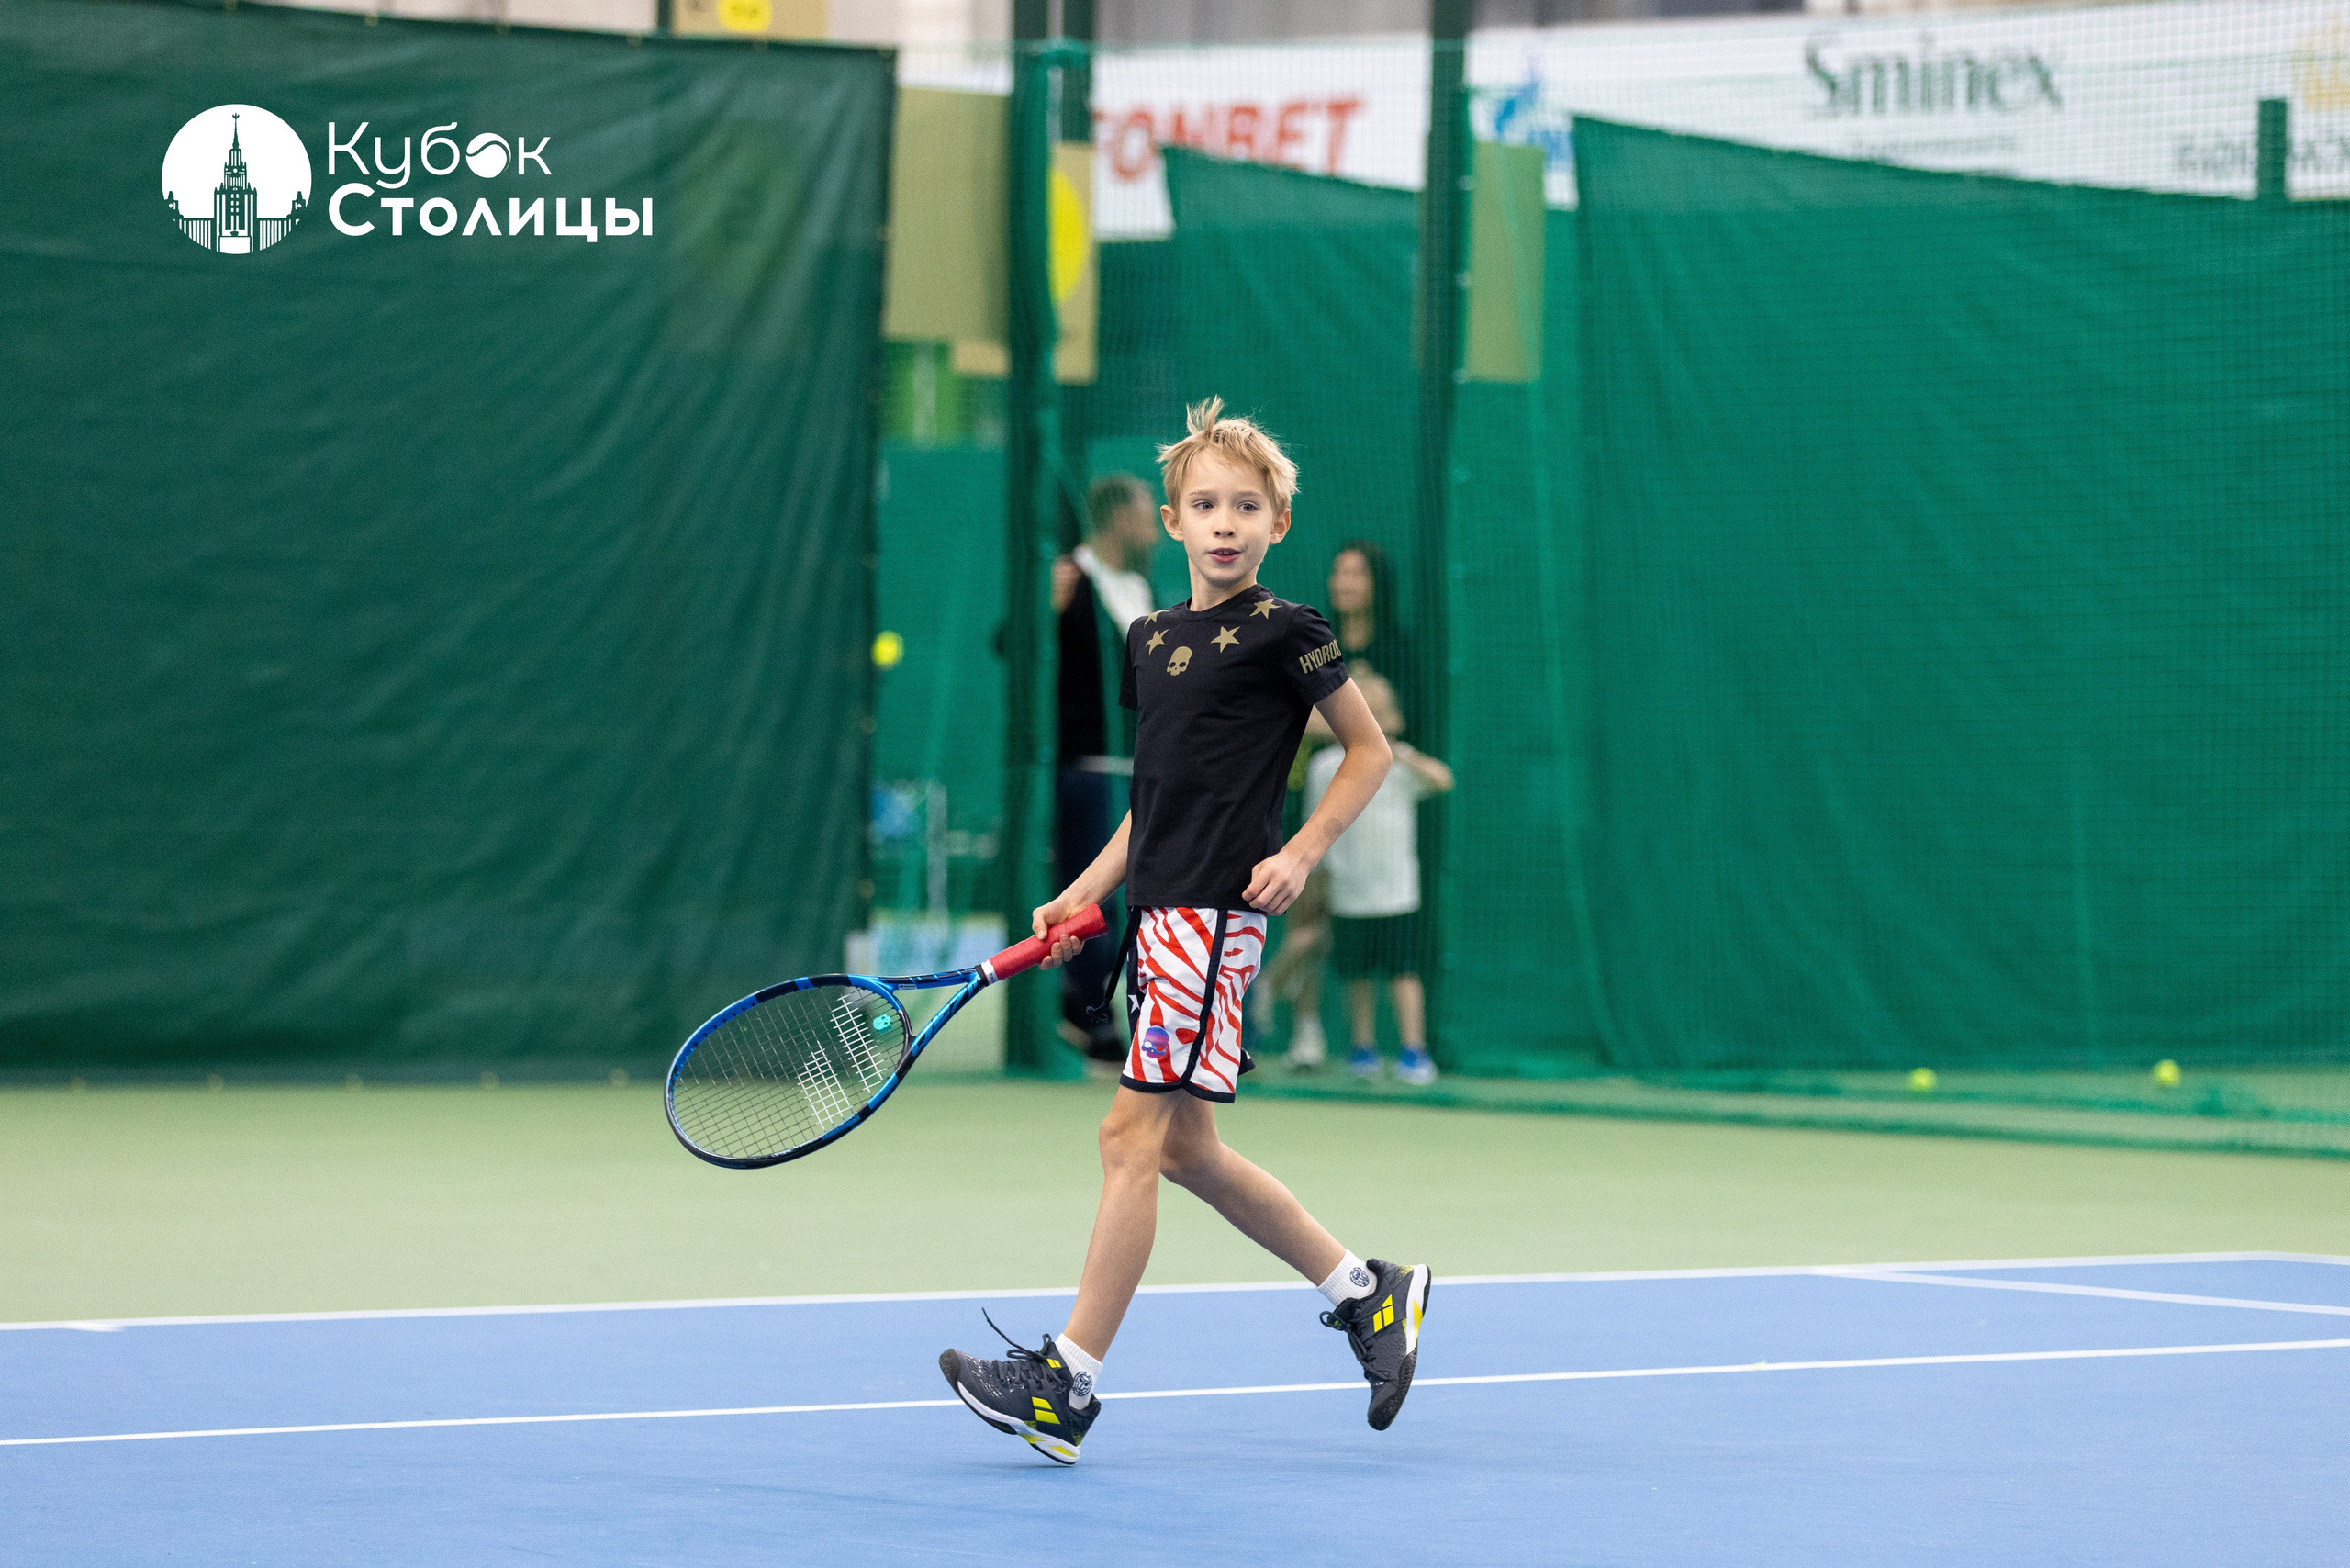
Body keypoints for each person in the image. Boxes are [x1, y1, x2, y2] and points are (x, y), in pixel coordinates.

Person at [938, 398, 1433, 1464]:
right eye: (1205, 505)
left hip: (1214, 921)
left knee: (1128, 1137)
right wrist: (1080, 892)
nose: (1225, 523)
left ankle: (1066, 1382)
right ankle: (1367, 1293)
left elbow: (1369, 751)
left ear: (1277, 523)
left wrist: (1302, 852)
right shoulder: (1150, 640)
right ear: (1171, 521)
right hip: (1158, 915)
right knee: (1185, 1150)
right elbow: (1151, 801)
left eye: (1246, 507)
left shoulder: (1289, 632)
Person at [1052, 474, 1160, 1061]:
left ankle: (1148, 1023)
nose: (1158, 528)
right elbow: (1010, 644)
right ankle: (1091, 1016)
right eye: (1147, 514)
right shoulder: (1069, 577)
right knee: (1097, 897)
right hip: (1089, 771)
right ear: (1119, 518)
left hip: (1143, 771)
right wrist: (1048, 610)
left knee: (1148, 895)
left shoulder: (1142, 587)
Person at [1304, 670, 1454, 1086]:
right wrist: (1320, 880)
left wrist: (1399, 754)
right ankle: (1362, 1049)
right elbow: (1315, 826)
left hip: (1397, 893)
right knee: (1357, 974)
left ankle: (1413, 1052)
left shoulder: (1399, 761)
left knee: (1404, 971)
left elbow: (1443, 780)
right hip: (1348, 892)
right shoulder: (1324, 766)